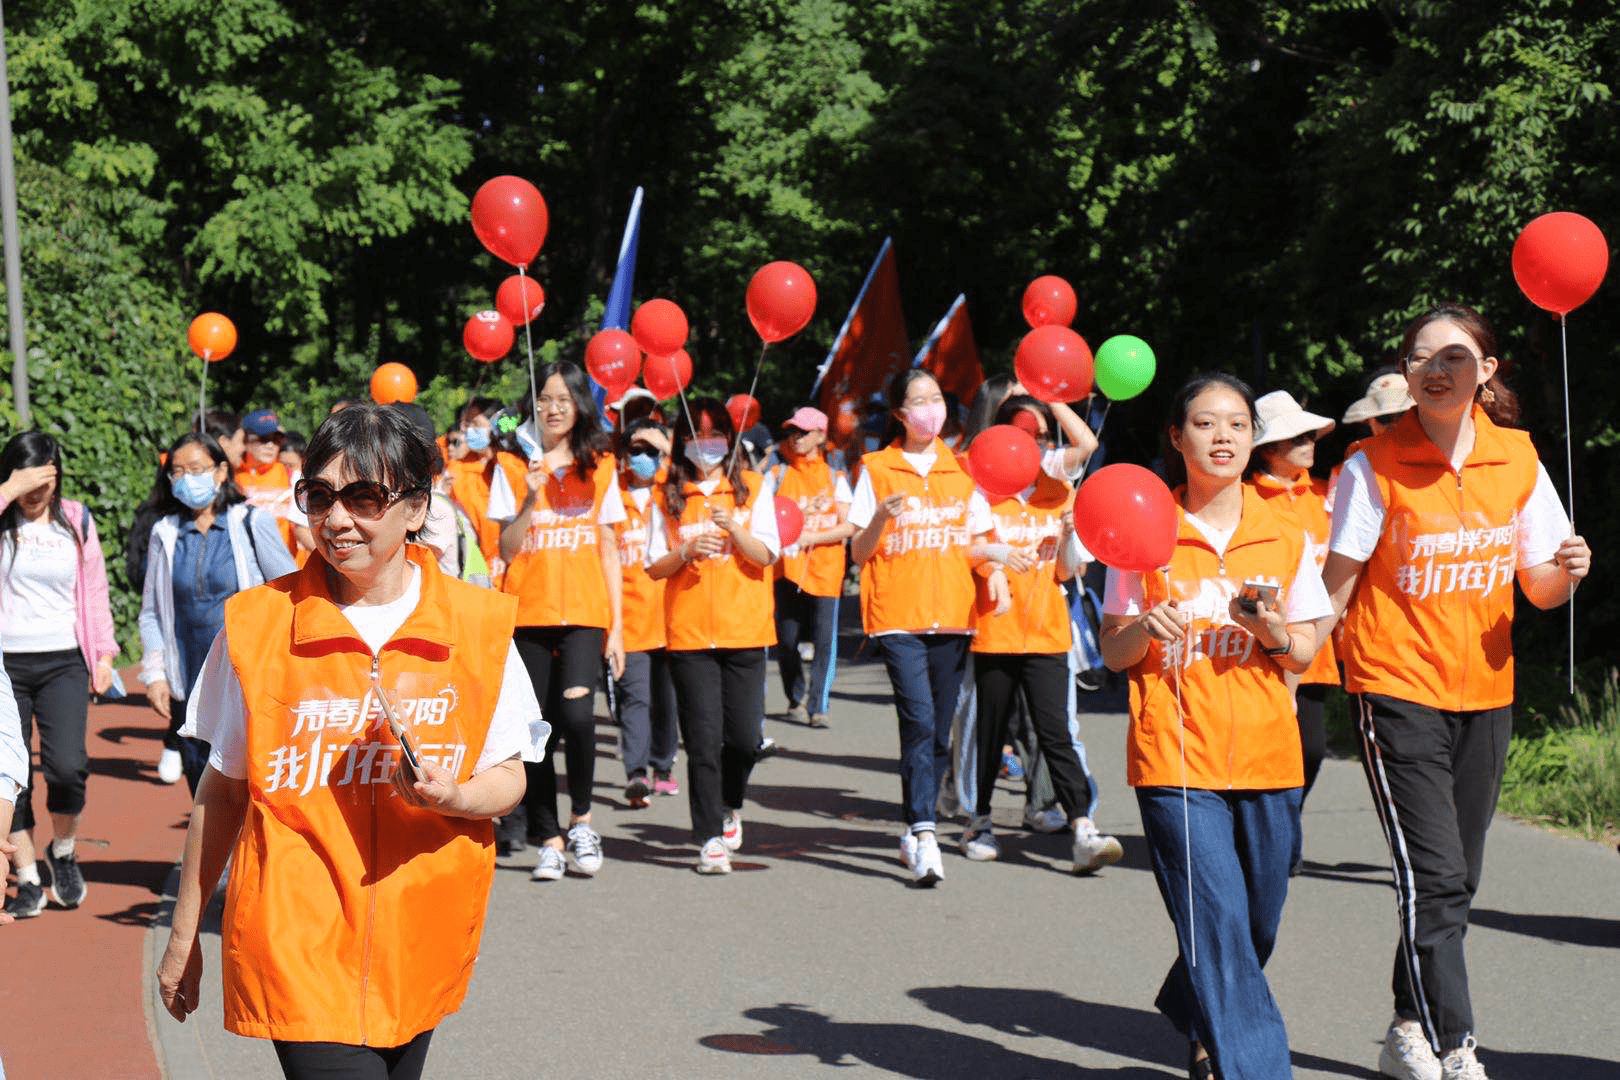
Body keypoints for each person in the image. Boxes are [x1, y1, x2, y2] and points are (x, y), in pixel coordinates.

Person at [156, 404, 542, 1080]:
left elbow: (510, 776)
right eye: (319, 496)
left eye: (364, 497)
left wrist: (454, 795)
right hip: (297, 937)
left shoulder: (477, 627)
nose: (336, 519)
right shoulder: (256, 627)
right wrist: (184, 935)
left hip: (419, 936)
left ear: (416, 509)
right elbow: (221, 791)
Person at [1320, 303, 1590, 1080]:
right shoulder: (1372, 466)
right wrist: (1292, 646)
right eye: (1420, 358)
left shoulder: (1517, 459)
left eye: (1455, 358)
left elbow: (1537, 587)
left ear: (1487, 372)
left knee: (1455, 880)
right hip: (1395, 686)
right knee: (1431, 876)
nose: (1436, 370)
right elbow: (1335, 589)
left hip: (1486, 691)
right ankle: (1452, 1042)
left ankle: (1408, 1019)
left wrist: (1567, 574)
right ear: (1405, 374)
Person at [1099, 373, 1333, 1080]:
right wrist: (1144, 625)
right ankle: (1255, 1068)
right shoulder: (1145, 528)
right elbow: (1114, 650)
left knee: (1257, 917)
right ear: (1177, 437)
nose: (1222, 436)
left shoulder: (1286, 533)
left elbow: (1308, 645)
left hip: (1268, 754)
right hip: (1176, 758)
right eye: (1204, 423)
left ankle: (1194, 998)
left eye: (1236, 424)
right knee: (1221, 925)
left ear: (1252, 439)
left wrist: (1272, 633)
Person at [849, 369, 998, 887]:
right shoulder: (876, 468)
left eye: (936, 398)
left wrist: (995, 569)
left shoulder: (963, 471)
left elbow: (976, 542)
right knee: (917, 718)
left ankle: (917, 821)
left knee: (938, 728)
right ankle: (924, 831)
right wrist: (879, 521)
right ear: (899, 414)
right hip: (897, 618)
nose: (929, 409)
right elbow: (858, 551)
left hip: (954, 618)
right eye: (918, 401)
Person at [960, 396, 1122, 873]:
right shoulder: (981, 491)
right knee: (992, 731)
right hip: (995, 632)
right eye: (1016, 436)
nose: (1026, 446)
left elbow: (1070, 571)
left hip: (1049, 633)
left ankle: (1082, 828)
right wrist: (993, 554)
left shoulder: (1059, 490)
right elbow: (967, 551)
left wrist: (1072, 535)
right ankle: (980, 820)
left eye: (1037, 437)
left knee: (1056, 733)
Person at [490, 362, 626, 878]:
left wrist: (618, 628)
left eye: (563, 399)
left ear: (579, 407)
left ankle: (583, 821)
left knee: (575, 718)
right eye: (544, 399)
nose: (553, 408)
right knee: (536, 732)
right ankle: (549, 837)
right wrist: (529, 495)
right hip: (528, 614)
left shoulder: (602, 465)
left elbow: (609, 549)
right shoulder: (510, 466)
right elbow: (505, 547)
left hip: (585, 614)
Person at [647, 398, 780, 874]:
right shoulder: (667, 493)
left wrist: (734, 530)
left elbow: (766, 555)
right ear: (683, 442)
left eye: (715, 435)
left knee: (744, 739)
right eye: (697, 436)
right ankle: (709, 841)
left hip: (745, 632)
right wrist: (684, 550)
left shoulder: (752, 487)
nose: (707, 445)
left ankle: (729, 803)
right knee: (703, 741)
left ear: (729, 438)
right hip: (689, 637)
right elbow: (653, 566)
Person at [0, 433, 119, 919]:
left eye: (43, 479)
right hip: (5, 661)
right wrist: (8, 490)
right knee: (13, 774)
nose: (35, 491)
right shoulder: (3, 514)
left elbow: (94, 588)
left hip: (64, 659)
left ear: (56, 473)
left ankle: (63, 850)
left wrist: (106, 653)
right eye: (26, 479)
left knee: (67, 767)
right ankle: (27, 875)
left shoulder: (76, 518)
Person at [141, 432, 299, 790]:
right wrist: (155, 674)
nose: (186, 478)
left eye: (196, 469)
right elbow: (151, 611)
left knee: (250, 780)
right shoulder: (164, 533)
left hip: (245, 678)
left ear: (221, 471)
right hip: (189, 678)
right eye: (177, 472)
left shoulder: (250, 523)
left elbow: (290, 592)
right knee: (201, 786)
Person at [1246, 389, 1339, 873]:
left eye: (1310, 434)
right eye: (1294, 436)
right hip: (1262, 645)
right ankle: (1271, 836)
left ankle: (1284, 825)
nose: (1308, 443)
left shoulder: (1325, 496)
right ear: (1266, 448)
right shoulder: (1244, 500)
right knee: (1272, 744)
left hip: (1314, 644)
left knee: (1312, 748)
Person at [610, 418, 680, 805]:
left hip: (671, 617)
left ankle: (663, 766)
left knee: (666, 700)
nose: (643, 458)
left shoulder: (673, 494)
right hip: (629, 620)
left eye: (651, 452)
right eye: (635, 450)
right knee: (635, 699)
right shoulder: (611, 498)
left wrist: (667, 450)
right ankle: (636, 773)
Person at [770, 406, 854, 729]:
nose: (796, 438)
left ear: (820, 436)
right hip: (786, 569)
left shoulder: (836, 477)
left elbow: (850, 527)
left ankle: (818, 705)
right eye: (792, 431)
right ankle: (795, 695)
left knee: (824, 641)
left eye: (803, 433)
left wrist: (813, 536)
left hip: (826, 569)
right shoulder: (778, 473)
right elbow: (766, 517)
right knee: (787, 641)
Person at [448, 397, 527, 586]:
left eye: (474, 423)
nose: (466, 430)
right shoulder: (458, 470)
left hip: (517, 575)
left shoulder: (516, 467)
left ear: (496, 425)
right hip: (479, 579)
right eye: (465, 424)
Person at [235, 408, 314, 557]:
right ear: (245, 440)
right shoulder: (232, 477)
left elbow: (302, 528)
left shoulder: (293, 477)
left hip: (286, 572)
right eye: (264, 438)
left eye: (276, 439)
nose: (271, 445)